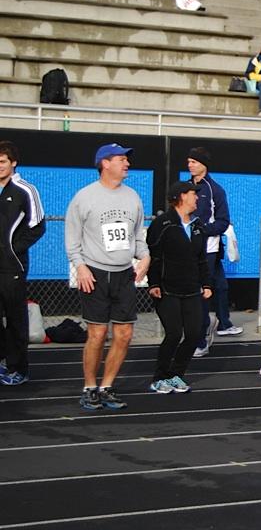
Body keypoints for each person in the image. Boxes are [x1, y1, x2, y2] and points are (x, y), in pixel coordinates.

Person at [66, 143, 150, 411]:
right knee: (97, 333)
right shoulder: (84, 197)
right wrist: (80, 266)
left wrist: (145, 257)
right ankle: (90, 387)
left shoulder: (132, 197)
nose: (127, 163)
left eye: (127, 159)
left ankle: (107, 386)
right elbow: (72, 238)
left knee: (124, 334)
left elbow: (137, 235)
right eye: (121, 159)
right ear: (105, 163)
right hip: (95, 273)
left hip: (124, 273)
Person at [146, 181, 211, 394]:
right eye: (194, 194)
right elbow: (153, 256)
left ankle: (176, 375)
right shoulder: (162, 224)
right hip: (167, 289)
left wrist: (206, 283)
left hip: (192, 289)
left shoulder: (198, 226)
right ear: (181, 196)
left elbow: (202, 259)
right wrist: (153, 283)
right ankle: (160, 376)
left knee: (193, 334)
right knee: (174, 333)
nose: (197, 198)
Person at [187, 147, 241, 358]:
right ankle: (221, 323)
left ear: (203, 164)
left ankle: (201, 339)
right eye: (188, 161)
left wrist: (202, 231)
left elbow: (223, 221)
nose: (190, 165)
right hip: (188, 250)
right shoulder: (185, 187)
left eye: (193, 161)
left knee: (204, 293)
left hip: (208, 250)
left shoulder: (214, 190)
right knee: (215, 287)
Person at [0, 141, 45, 387]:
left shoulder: (25, 190)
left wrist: (12, 249)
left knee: (16, 319)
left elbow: (38, 226)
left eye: (2, 162)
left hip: (12, 267)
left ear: (13, 163)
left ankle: (19, 368)